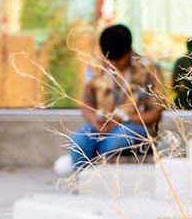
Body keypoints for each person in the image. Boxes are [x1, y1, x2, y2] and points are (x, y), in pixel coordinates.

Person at [54, 24, 163, 176]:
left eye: (119, 60)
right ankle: (82, 181)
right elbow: (86, 105)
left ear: (129, 51)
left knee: (115, 141)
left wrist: (123, 118)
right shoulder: (95, 67)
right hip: (101, 125)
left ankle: (81, 164)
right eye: (110, 59)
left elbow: (156, 114)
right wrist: (95, 121)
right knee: (79, 139)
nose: (114, 64)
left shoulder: (149, 69)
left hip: (134, 126)